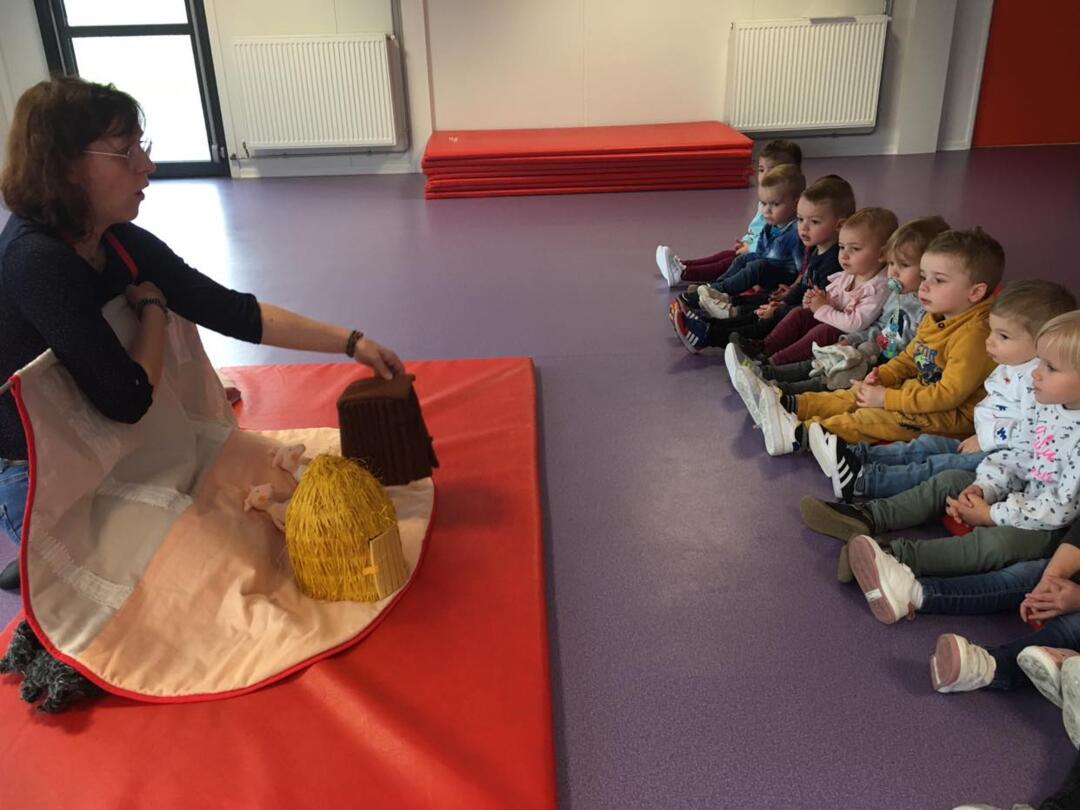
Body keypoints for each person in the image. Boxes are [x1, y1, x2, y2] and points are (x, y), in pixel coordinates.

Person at [0, 77, 405, 591]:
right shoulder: (37, 261)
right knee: (192, 585)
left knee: (246, 510)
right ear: (64, 166)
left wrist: (352, 342)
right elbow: (126, 398)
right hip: (47, 477)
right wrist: (152, 309)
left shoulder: (114, 239)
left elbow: (230, 310)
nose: (147, 165)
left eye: (142, 147)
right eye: (126, 152)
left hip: (110, 445)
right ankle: (42, 563)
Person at [800, 309, 1080, 579]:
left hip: (1049, 525)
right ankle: (867, 517)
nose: (1035, 373)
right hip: (1020, 498)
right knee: (950, 479)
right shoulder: (1049, 407)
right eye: (1039, 362)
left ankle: (894, 559)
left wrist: (991, 514)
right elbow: (1016, 457)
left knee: (996, 544)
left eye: (1050, 367)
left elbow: (1059, 508)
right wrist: (985, 487)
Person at [742, 227, 1003, 456]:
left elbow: (947, 396)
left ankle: (797, 434)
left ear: (975, 292)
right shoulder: (938, 315)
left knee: (869, 419)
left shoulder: (975, 336)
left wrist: (887, 398)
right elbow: (910, 358)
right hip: (920, 393)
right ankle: (790, 404)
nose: (924, 287)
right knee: (854, 394)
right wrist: (882, 377)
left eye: (939, 280)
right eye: (924, 276)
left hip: (950, 417)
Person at [813, 281, 1076, 501]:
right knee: (925, 446)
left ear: (1043, 341)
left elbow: (1031, 431)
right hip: (979, 438)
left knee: (939, 465)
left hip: (1002, 458)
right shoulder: (1011, 364)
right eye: (992, 332)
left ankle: (865, 480)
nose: (989, 341)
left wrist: (984, 439)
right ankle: (857, 456)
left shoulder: (1036, 379)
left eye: (1003, 336)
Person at [743, 215, 947, 395]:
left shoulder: (928, 310)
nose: (892, 272)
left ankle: (787, 390)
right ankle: (770, 372)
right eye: (892, 263)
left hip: (891, 364)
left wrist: (871, 352)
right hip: (873, 348)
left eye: (903, 265)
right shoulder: (898, 294)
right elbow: (879, 327)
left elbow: (917, 354)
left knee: (841, 369)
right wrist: (851, 340)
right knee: (831, 355)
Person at [672, 174, 849, 354]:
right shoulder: (815, 248)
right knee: (761, 309)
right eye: (800, 219)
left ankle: (708, 335)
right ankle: (708, 323)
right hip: (795, 305)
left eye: (815, 222)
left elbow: (819, 307)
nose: (803, 227)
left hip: (809, 317)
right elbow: (804, 286)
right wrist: (783, 302)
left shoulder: (835, 263)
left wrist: (780, 309)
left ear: (839, 225)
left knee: (764, 322)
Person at [730, 206, 894, 367]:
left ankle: (774, 362)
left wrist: (822, 307)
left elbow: (855, 324)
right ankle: (764, 347)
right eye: (842, 247)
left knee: (824, 331)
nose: (844, 255)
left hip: (851, 338)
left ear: (882, 254)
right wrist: (815, 300)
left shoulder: (879, 287)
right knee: (799, 314)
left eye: (855, 249)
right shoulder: (851, 273)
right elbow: (832, 299)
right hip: (834, 319)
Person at [656, 138, 802, 287]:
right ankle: (684, 265)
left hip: (765, 260)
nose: (765, 176)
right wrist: (747, 242)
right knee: (725, 255)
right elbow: (758, 230)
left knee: (729, 261)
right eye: (761, 170)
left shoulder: (785, 208)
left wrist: (749, 248)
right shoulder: (769, 202)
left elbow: (776, 246)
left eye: (772, 171)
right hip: (756, 250)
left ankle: (685, 273)